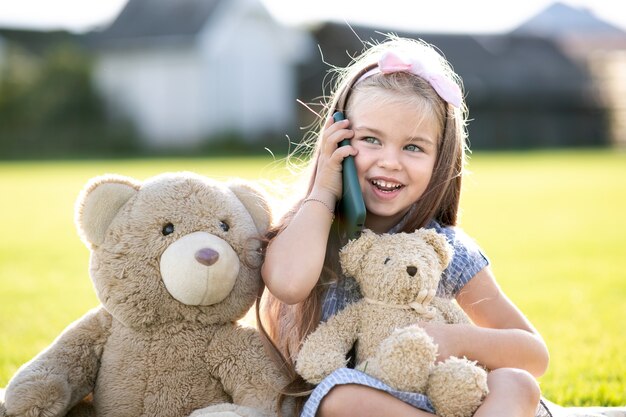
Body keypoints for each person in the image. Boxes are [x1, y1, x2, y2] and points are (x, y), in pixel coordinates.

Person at [259, 35, 551, 417]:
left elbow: (534, 354)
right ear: (339, 140)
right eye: (370, 140)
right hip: (361, 400)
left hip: (440, 396)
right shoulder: (313, 230)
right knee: (341, 397)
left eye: (413, 147)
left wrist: (452, 339)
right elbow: (286, 283)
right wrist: (324, 189)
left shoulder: (445, 248)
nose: (390, 162)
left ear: (440, 159)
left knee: (518, 383)